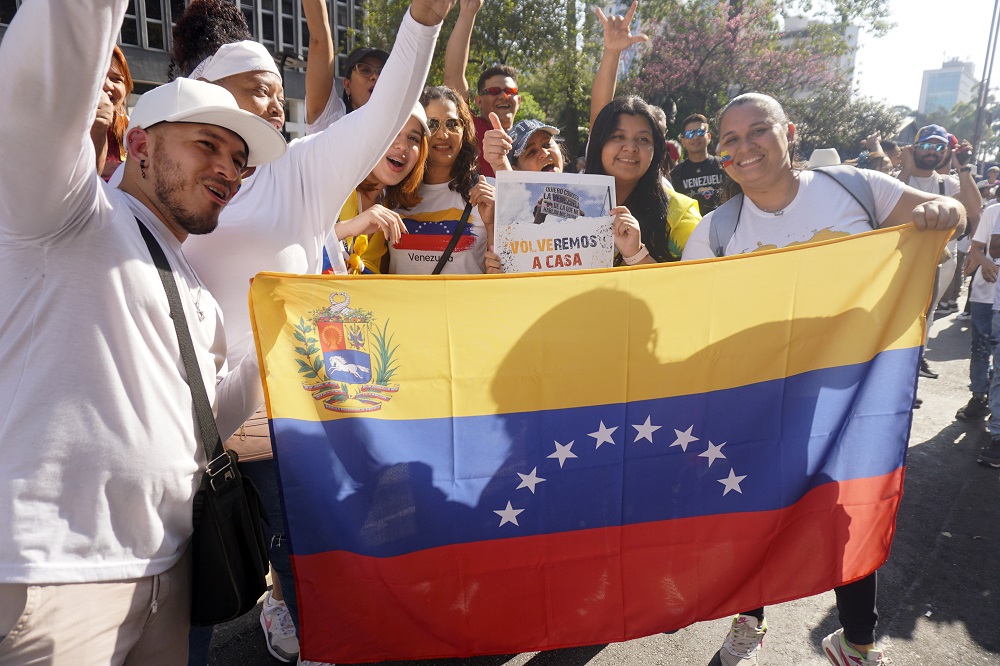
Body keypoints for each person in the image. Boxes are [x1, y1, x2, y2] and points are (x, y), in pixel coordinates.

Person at [165, 0, 455, 662]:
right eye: (253, 90)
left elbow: (384, 116)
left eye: (276, 94)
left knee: (306, 570)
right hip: (174, 430)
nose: (271, 106)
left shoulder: (300, 171)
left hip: (279, 429)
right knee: (189, 599)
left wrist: (423, 22)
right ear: (201, 93)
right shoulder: (166, 175)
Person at [0, 0, 288, 661]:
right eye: (207, 144)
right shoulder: (65, 213)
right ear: (138, 144)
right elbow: (46, 69)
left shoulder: (196, 291)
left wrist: (281, 331)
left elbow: (206, 420)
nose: (228, 170)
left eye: (240, 161)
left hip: (170, 580)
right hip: (56, 582)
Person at [682, 93, 965, 666]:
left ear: (789, 132)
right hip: (757, 408)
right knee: (754, 518)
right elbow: (686, 316)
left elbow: (950, 219)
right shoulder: (713, 233)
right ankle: (748, 623)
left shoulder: (857, 188)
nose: (745, 147)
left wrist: (945, 215)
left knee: (844, 515)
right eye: (730, 140)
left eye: (757, 131)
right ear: (721, 156)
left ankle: (857, 640)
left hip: (848, 400)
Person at [389, 85, 494, 274]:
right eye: (432, 124)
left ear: (465, 131)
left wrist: (492, 224)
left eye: (452, 124)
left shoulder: (487, 192)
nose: (443, 135)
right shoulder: (391, 191)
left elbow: (507, 267)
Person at [585, 95, 701, 263]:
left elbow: (697, 284)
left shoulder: (679, 215)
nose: (631, 148)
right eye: (618, 136)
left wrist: (636, 255)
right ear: (598, 145)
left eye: (643, 139)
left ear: (655, 151)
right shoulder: (570, 210)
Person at [324, 105, 429, 274]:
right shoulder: (328, 184)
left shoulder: (389, 210)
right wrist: (348, 228)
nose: (403, 146)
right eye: (394, 131)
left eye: (413, 138)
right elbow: (293, 250)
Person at [443, 0, 521, 176]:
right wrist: (467, 13)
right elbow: (453, 77)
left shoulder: (532, 141)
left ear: (519, 100)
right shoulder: (471, 127)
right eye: (494, 91)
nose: (504, 96)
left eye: (510, 92)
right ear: (478, 101)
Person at [302, 0, 389, 133]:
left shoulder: (396, 129)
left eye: (382, 73)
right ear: (347, 85)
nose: (375, 77)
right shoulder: (330, 118)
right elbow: (319, 40)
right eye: (365, 70)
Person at [92, 45, 133, 180]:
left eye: (116, 79)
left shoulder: (133, 130)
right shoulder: (61, 126)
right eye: (98, 76)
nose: (107, 86)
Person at [671, 113, 725, 213]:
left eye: (700, 132)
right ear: (683, 141)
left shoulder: (723, 166)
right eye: (689, 134)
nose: (695, 137)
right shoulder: (677, 173)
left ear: (708, 136)